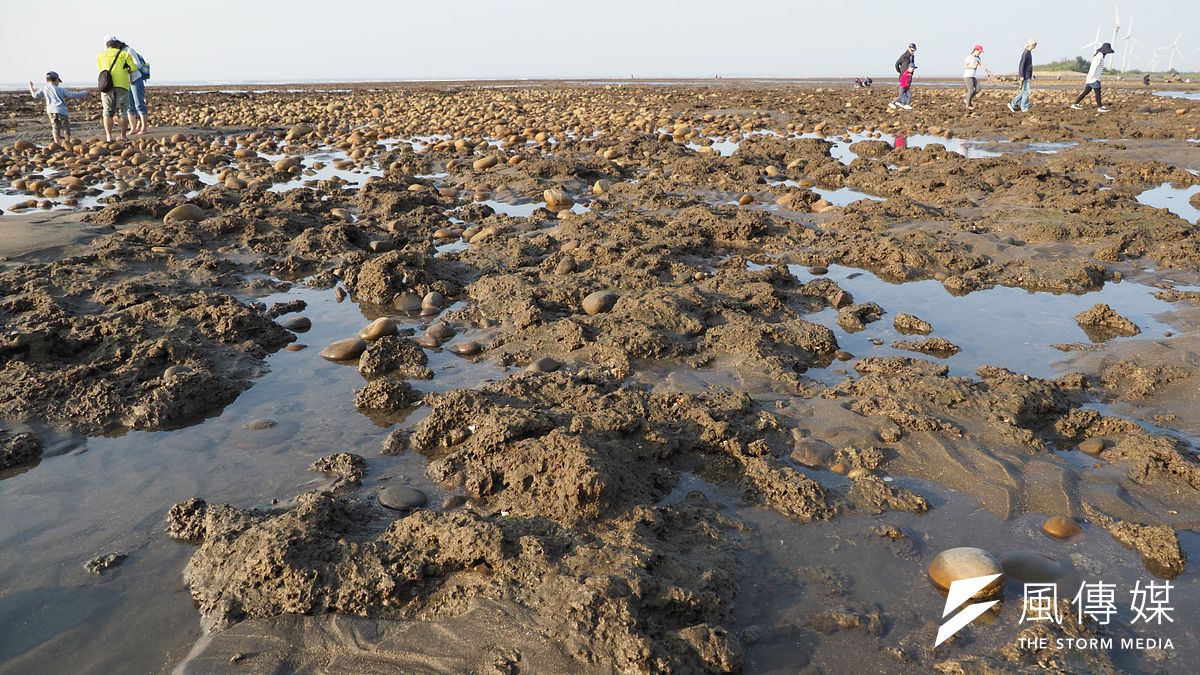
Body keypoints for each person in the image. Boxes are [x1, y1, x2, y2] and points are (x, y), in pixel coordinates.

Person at [28, 72, 89, 145]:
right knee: (66, 127)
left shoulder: (44, 88)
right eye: (58, 81)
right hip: (61, 111)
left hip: (51, 111)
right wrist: (85, 93)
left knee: (55, 127)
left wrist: (30, 87)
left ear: (47, 80)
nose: (59, 83)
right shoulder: (60, 89)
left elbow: (34, 95)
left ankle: (57, 143)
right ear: (56, 79)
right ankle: (67, 142)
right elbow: (71, 95)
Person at [96, 35, 137, 141]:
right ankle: (123, 135)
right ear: (117, 44)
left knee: (107, 111)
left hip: (106, 85)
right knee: (122, 111)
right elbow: (133, 68)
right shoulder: (124, 54)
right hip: (122, 85)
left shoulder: (100, 55)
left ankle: (109, 136)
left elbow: (101, 69)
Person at [1071, 42, 1114, 112]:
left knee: (1086, 92)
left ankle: (1075, 104)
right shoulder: (1099, 56)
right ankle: (1100, 107)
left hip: (1090, 78)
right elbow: (1094, 67)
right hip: (1094, 78)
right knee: (1098, 93)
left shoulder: (1098, 55)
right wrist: (1092, 76)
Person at [124, 42, 150, 134]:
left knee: (139, 104)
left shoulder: (129, 50)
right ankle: (133, 128)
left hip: (136, 79)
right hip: (125, 81)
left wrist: (128, 69)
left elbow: (138, 64)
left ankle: (144, 128)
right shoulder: (116, 53)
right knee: (129, 106)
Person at [1007, 39, 1037, 113]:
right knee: (1027, 92)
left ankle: (1013, 104)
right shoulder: (1026, 52)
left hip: (1028, 75)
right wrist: (1021, 76)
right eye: (1035, 45)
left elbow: (1028, 66)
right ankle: (1024, 107)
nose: (1036, 46)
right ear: (1032, 45)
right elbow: (1021, 65)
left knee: (1024, 92)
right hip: (1025, 76)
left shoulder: (1028, 52)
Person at [962, 45, 994, 110]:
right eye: (979, 52)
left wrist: (988, 72)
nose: (980, 53)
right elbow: (964, 66)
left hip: (973, 76)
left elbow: (982, 65)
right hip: (968, 76)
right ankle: (968, 105)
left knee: (978, 89)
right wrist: (972, 67)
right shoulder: (969, 57)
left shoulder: (977, 58)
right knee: (971, 90)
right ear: (975, 50)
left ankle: (967, 99)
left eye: (981, 52)